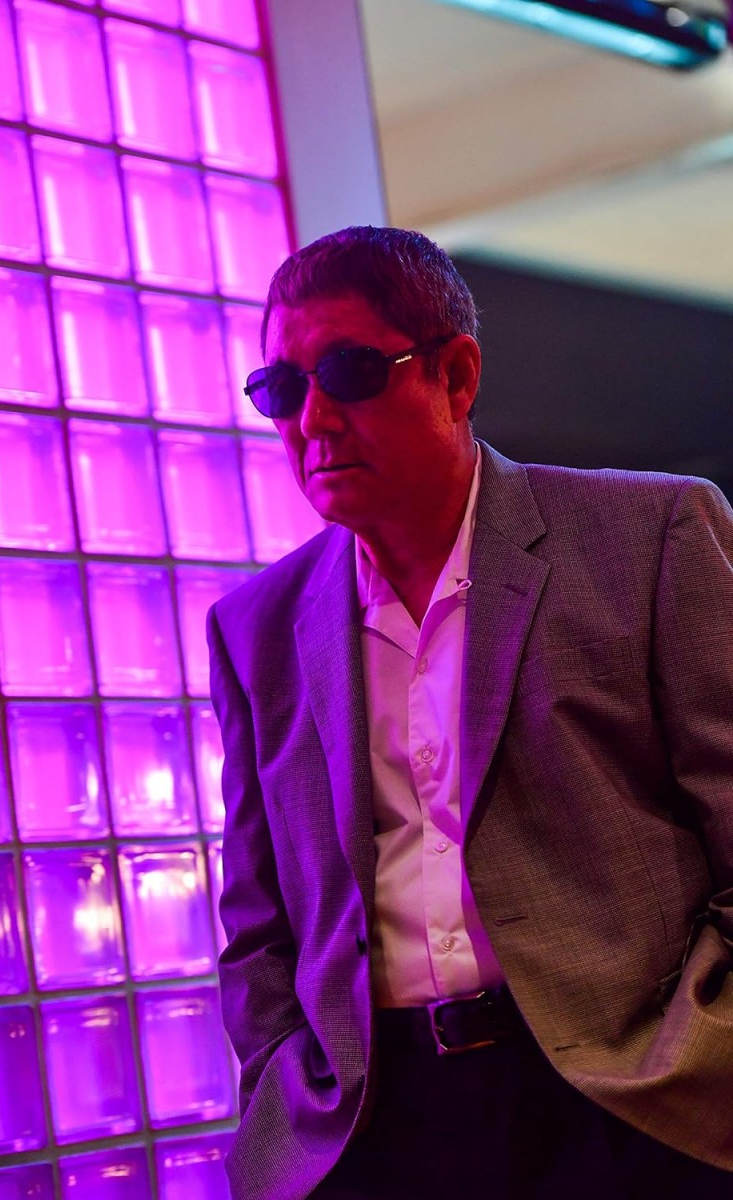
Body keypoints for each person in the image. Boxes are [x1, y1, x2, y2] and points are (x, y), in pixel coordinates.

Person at [206, 226, 733, 1200]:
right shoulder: (256, 628)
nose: (312, 420)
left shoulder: (649, 535)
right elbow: (257, 918)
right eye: (280, 389)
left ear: (455, 377)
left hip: (633, 1103)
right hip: (377, 1127)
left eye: (350, 373)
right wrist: (284, 1090)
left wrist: (702, 1050)